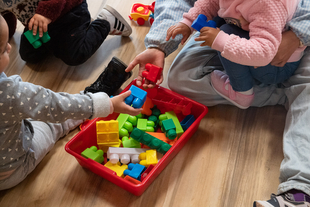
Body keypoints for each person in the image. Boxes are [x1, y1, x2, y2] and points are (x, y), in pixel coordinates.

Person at [126, 0, 310, 206]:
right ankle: (284, 94)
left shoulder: (265, 4)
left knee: (305, 89)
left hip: (278, 40)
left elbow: (262, 48)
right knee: (182, 78)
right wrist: (162, 42)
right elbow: (205, 3)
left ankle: (299, 191)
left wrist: (299, 33)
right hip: (243, 34)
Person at [0, 14, 142, 190]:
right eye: (2, 50)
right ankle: (93, 93)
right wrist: (107, 104)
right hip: (12, 170)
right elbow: (56, 106)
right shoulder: (11, 93)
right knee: (52, 123)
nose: (9, 47)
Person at [165, 0, 306, 109]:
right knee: (223, 26)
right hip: (256, 38)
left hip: (276, 65)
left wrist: (220, 40)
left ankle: (241, 93)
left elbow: (263, 53)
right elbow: (210, 2)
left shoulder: (265, 5)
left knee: (226, 31)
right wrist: (188, 22)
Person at [0, 0, 132, 66]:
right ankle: (79, 31)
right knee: (29, 55)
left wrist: (45, 12)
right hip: (38, 23)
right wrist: (4, 35)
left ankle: (105, 22)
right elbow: (4, 13)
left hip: (68, 11)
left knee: (75, 54)